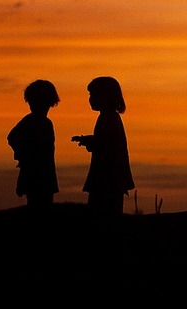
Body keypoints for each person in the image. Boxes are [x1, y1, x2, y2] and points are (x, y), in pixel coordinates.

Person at [72, 76, 135, 216]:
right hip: (110, 178)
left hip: (108, 178)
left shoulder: (108, 118)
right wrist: (87, 140)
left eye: (93, 95)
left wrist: (89, 142)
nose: (90, 99)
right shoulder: (109, 117)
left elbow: (106, 145)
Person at [7, 79, 60, 211]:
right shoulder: (37, 122)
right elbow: (12, 137)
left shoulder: (40, 122)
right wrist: (24, 155)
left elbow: (12, 137)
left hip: (40, 173)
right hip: (39, 174)